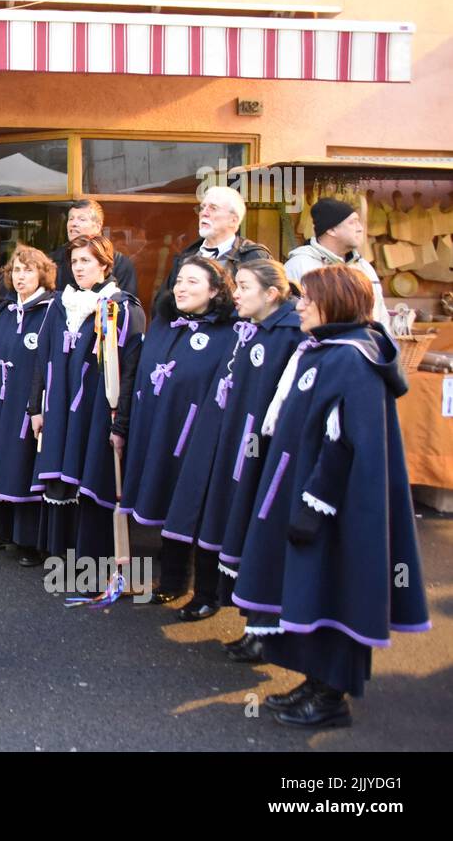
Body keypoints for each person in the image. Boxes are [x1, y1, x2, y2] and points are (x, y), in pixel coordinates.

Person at [233, 264, 429, 728]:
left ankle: (331, 697)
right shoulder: (327, 351)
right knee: (314, 589)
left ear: (334, 302)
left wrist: (314, 504)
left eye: (308, 298)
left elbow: (345, 443)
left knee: (337, 590)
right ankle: (317, 682)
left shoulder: (351, 360)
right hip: (310, 495)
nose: (299, 305)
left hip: (335, 510)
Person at [161, 260, 301, 654]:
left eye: (243, 286)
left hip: (263, 454)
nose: (234, 293)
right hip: (236, 442)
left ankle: (266, 632)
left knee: (259, 537)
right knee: (225, 521)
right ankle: (248, 621)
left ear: (271, 294)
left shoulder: (288, 336)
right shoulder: (254, 330)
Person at [118, 256, 239, 609]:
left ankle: (207, 593)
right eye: (179, 281)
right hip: (160, 430)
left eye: (193, 282)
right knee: (168, 506)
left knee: (197, 512)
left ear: (215, 291)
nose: (181, 288)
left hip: (200, 438)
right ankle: (172, 581)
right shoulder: (165, 324)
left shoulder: (228, 333)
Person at [29, 234, 146, 570]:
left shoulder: (120, 307)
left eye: (87, 261)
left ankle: (91, 559)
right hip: (59, 407)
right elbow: (43, 358)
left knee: (91, 472)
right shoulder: (60, 304)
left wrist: (119, 421)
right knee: (59, 473)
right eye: (75, 261)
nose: (79, 268)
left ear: (105, 265)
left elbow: (129, 370)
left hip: (95, 410)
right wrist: (36, 406)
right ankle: (59, 553)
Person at [0, 245, 56, 565]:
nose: (21, 277)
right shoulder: (2, 311)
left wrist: (38, 406)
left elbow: (49, 364)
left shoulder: (50, 312)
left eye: (28, 270)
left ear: (42, 274)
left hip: (27, 404)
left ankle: (27, 541)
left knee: (22, 465)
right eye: (16, 270)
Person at [153, 185, 270, 316]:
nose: (204, 213)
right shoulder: (187, 256)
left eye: (213, 208)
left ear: (233, 220)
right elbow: (162, 306)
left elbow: (265, 307)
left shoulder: (253, 257)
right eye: (202, 208)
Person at [284, 197, 390, 331]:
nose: (360, 228)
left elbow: (381, 315)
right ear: (331, 230)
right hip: (320, 349)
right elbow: (290, 318)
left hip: (368, 347)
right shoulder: (299, 266)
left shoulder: (364, 267)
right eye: (353, 223)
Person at [48, 200, 138, 297]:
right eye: (71, 219)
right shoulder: (52, 261)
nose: (73, 223)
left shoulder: (120, 263)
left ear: (98, 227)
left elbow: (125, 306)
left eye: (81, 219)